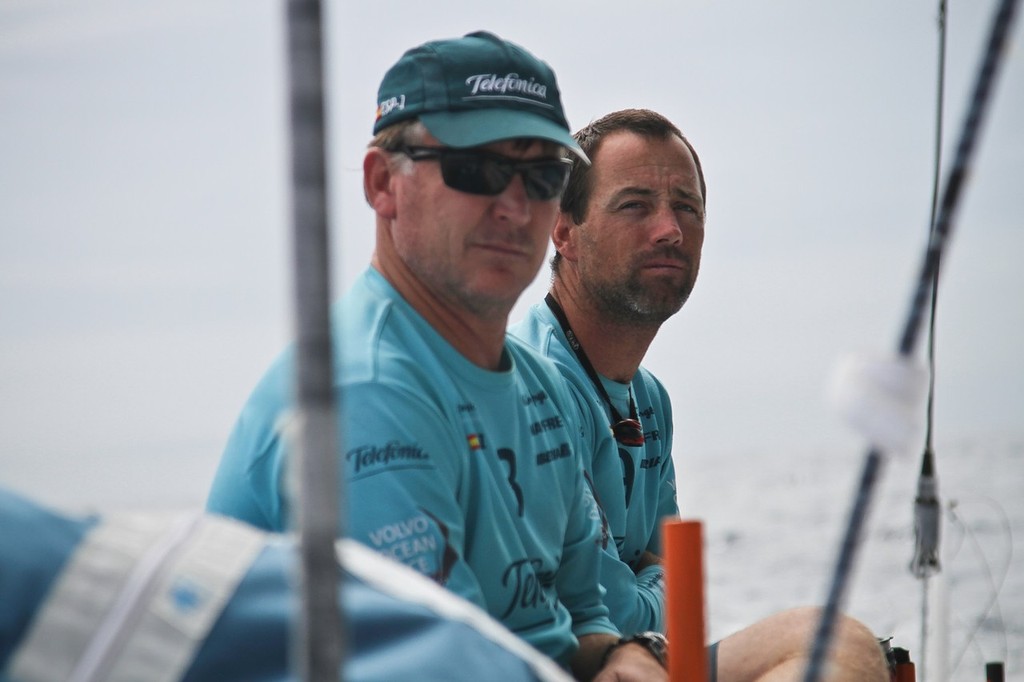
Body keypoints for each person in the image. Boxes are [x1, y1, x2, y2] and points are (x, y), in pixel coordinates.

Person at [206, 33, 665, 681]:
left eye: (543, 177)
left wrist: (623, 654)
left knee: (823, 642)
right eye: (475, 169)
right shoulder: (365, 393)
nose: (515, 206)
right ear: (381, 183)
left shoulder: (544, 386)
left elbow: (582, 615)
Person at [510, 108, 890, 681]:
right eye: (635, 205)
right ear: (563, 232)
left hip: (650, 662)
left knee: (837, 644)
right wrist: (655, 574)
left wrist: (650, 574)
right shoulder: (538, 386)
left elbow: (681, 606)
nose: (670, 229)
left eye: (687, 207)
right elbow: (616, 616)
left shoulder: (651, 399)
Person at [0, 486, 572, 682]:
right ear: (383, 199)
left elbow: (595, 583)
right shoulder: (372, 389)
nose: (515, 208)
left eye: (541, 196)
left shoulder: (564, 391)